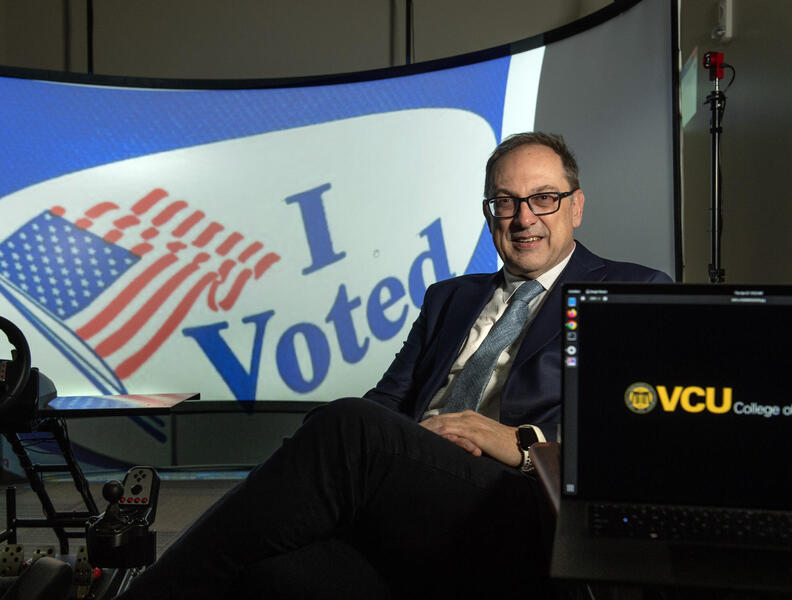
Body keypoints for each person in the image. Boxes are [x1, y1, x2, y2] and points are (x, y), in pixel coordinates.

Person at [116, 132, 671, 599]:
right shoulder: (448, 297)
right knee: (270, 573)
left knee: (347, 426)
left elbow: (636, 443)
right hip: (412, 496)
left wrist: (523, 444)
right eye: (505, 202)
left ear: (576, 205)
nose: (523, 218)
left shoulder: (631, 291)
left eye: (543, 198)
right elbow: (388, 402)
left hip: (520, 506)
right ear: (489, 214)